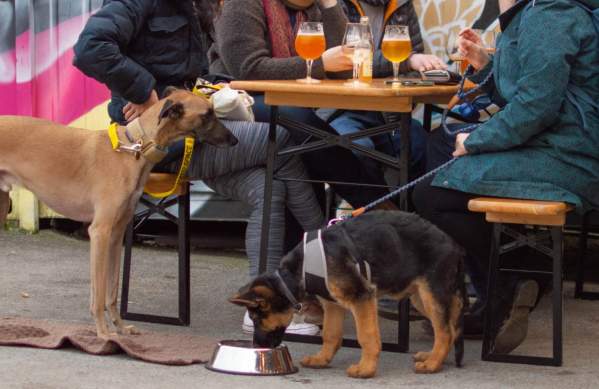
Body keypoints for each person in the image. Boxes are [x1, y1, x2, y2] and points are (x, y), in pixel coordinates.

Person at [73, 0, 324, 335]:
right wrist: (143, 90)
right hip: (159, 146)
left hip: (197, 133)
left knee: (270, 186)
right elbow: (89, 48)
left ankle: (262, 306)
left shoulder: (194, 5)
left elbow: (188, 73)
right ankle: (325, 253)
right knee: (282, 140)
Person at [413, 0, 599, 353]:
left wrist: (477, 141)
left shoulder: (551, 13)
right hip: (554, 148)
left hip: (568, 158)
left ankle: (524, 269)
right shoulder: (535, 12)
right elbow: (526, 91)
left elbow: (537, 105)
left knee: (432, 194)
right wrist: (485, 63)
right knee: (441, 161)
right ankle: (504, 292)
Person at [209, 0, 398, 211]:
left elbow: (346, 68)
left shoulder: (314, 7)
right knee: (297, 119)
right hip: (237, 102)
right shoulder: (241, 4)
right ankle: (380, 207)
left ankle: (383, 210)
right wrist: (321, 63)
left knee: (396, 138)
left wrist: (330, 6)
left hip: (296, 105)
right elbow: (248, 68)